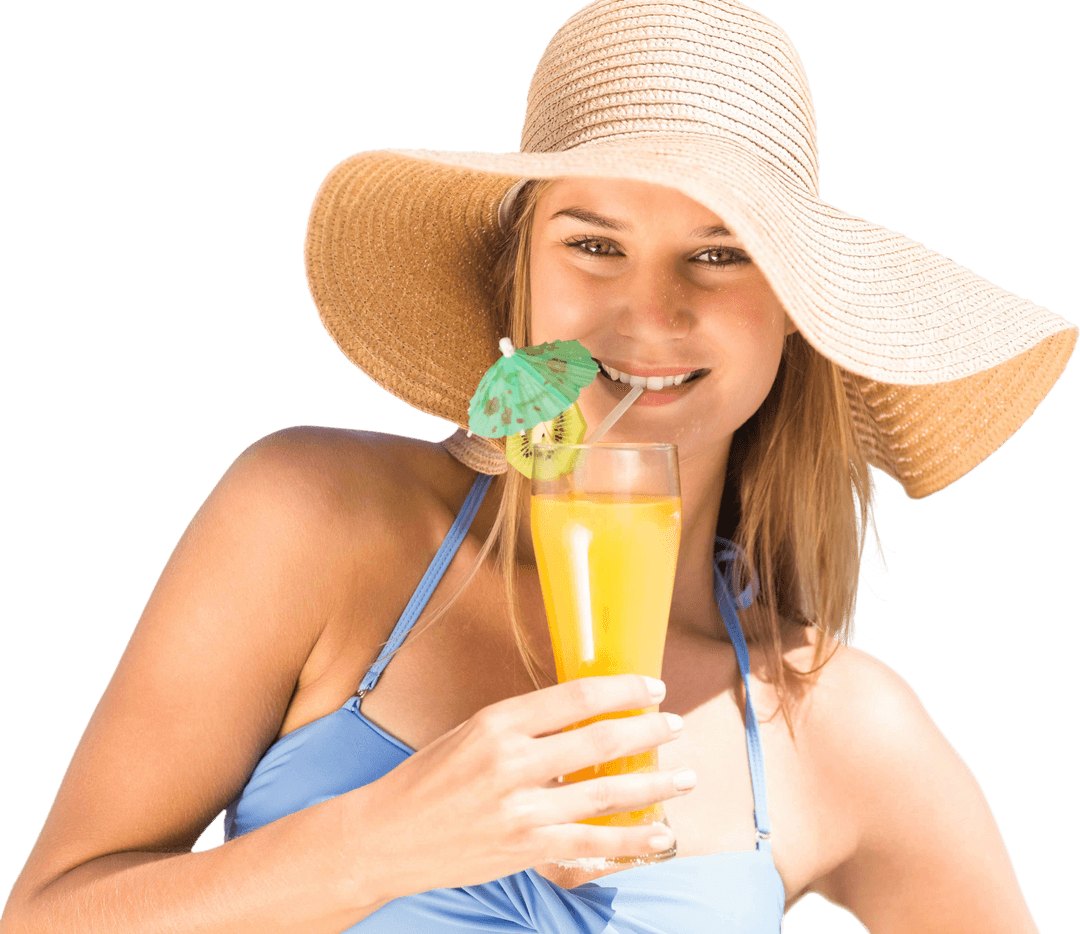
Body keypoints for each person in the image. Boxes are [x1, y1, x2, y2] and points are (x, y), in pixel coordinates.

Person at [2, 1, 1074, 932]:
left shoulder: (834, 725)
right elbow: (46, 916)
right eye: (592, 243)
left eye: (719, 252)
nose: (650, 314)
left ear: (794, 313)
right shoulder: (315, 520)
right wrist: (381, 841)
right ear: (518, 273)